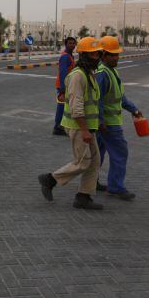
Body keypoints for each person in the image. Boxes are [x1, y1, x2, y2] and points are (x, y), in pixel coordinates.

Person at [37, 37, 104, 210]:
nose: (97, 57)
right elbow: (76, 107)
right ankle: (50, 179)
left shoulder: (89, 73)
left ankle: (83, 196)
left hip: (88, 126)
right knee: (82, 162)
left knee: (94, 161)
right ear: (84, 55)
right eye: (94, 54)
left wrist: (97, 123)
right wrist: (85, 130)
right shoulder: (77, 76)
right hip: (77, 126)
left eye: (98, 53)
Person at [95, 36, 142, 201]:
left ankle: (91, 181)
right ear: (103, 55)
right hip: (109, 125)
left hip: (105, 124)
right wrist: (101, 121)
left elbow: (120, 97)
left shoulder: (111, 71)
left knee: (96, 155)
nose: (116, 58)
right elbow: (97, 100)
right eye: (112, 55)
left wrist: (133, 109)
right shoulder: (102, 74)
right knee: (120, 153)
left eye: (117, 55)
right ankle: (115, 187)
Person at [53, 37, 77, 136]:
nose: (72, 45)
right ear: (66, 44)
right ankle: (57, 127)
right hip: (63, 86)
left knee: (65, 107)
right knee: (61, 107)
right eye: (70, 43)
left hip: (68, 85)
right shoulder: (65, 57)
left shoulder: (70, 56)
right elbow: (63, 73)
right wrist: (63, 89)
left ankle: (61, 126)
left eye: (73, 43)